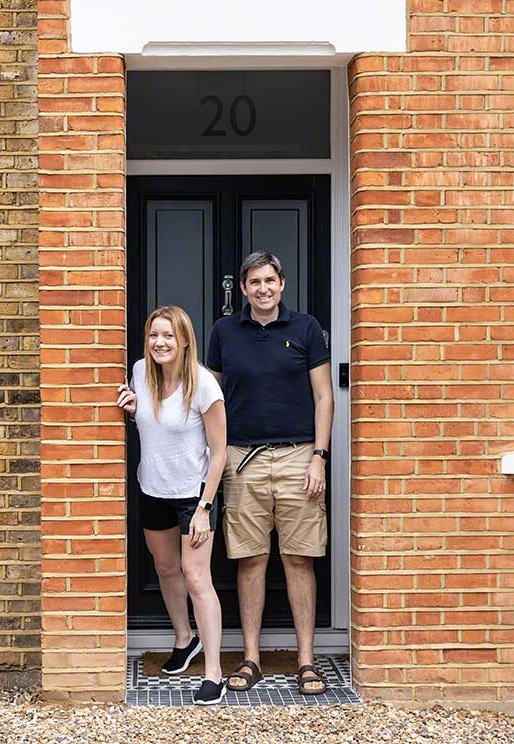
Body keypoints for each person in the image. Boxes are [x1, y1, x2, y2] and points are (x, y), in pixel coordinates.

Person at [207, 251, 333, 696]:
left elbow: (324, 398)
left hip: (299, 457)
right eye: (254, 282)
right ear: (243, 288)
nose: (263, 288)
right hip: (243, 460)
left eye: (270, 280)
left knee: (299, 558)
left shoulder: (306, 329)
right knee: (250, 559)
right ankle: (251, 659)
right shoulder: (224, 332)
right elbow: (211, 396)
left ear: (282, 284)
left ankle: (306, 662)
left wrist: (320, 455)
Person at [117, 305, 228, 705]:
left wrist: (204, 506)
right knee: (165, 568)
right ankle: (185, 640)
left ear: (184, 342)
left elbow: (219, 453)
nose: (159, 343)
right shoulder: (139, 375)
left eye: (168, 336)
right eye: (153, 335)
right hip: (153, 490)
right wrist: (133, 413)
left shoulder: (203, 386)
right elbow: (153, 426)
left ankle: (213, 671)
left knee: (196, 578)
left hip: (192, 497)